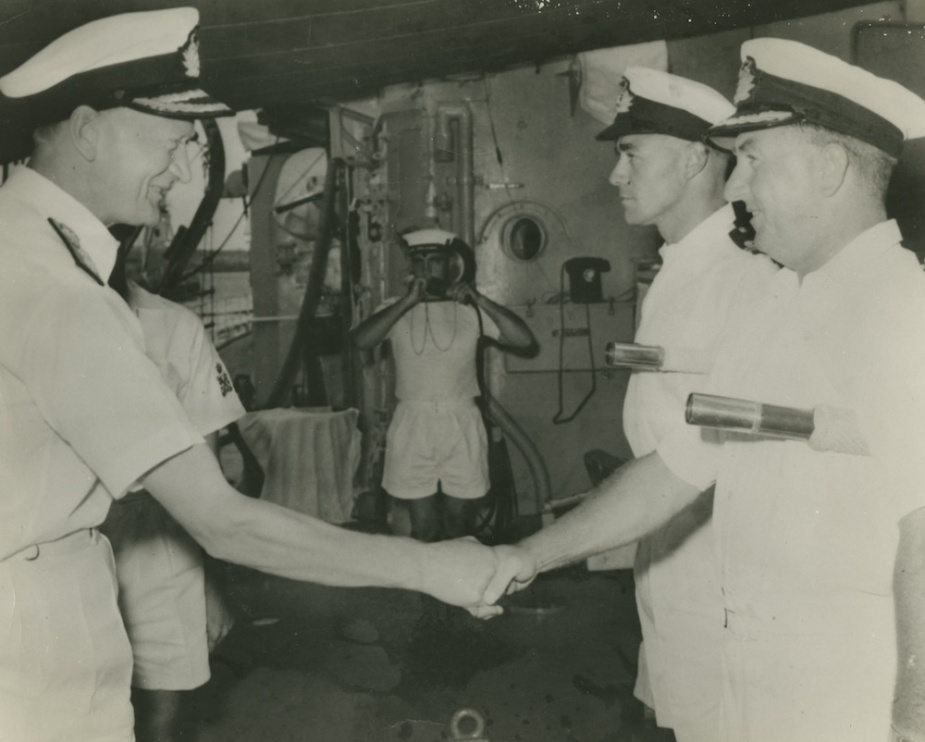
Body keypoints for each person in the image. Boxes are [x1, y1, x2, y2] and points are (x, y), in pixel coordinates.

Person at [0, 10, 502, 741]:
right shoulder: (54, 288)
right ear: (85, 131)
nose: (176, 172)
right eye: (169, 145)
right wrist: (432, 569)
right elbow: (222, 520)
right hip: (33, 633)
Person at [483, 38, 925, 742]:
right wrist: (527, 557)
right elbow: (678, 469)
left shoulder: (901, 310)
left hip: (849, 699)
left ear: (830, 168)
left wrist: (912, 720)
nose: (735, 186)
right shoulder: (783, 303)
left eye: (753, 161)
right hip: (752, 684)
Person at [598, 66, 778, 741]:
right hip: (671, 562)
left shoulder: (738, 280)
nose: (616, 175)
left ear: (696, 158)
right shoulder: (678, 270)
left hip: (721, 588)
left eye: (630, 153)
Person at [103, 243, 245, 742]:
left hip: (158, 530)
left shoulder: (174, 326)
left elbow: (205, 482)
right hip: (61, 538)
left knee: (161, 709)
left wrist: (214, 582)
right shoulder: (27, 311)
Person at [351, 229, 537, 542]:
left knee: (457, 524)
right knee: (423, 528)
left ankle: (456, 589)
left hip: (460, 419)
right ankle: (429, 591)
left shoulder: (470, 310)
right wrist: (409, 301)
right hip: (414, 420)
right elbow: (362, 340)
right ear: (411, 267)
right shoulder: (394, 307)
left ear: (449, 265)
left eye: (434, 261)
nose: (426, 269)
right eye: (418, 261)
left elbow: (524, 339)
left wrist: (478, 298)